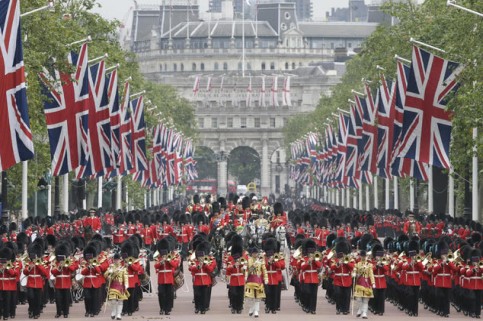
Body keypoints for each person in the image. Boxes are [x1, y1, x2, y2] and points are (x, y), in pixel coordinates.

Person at [51, 244, 79, 318]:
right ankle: (58, 312)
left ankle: (66, 312)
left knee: (66, 299)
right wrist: (59, 267)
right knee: (58, 299)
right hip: (58, 283)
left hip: (66, 283)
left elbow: (73, 269)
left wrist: (67, 265)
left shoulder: (69, 261)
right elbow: (53, 272)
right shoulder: (55, 262)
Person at [154, 239, 180, 315]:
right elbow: (155, 266)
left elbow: (175, 265)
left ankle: (167, 309)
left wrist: (169, 261)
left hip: (169, 278)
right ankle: (162, 308)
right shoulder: (158, 257)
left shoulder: (171, 257)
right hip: (161, 279)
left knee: (169, 294)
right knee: (161, 293)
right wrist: (161, 262)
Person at [104, 253, 129, 320]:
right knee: (113, 300)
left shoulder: (123, 268)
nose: (117, 261)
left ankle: (119, 314)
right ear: (114, 260)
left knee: (120, 301)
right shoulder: (111, 267)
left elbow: (125, 276)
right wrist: (109, 272)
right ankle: (114, 311)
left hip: (120, 285)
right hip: (113, 285)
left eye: (118, 260)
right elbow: (105, 275)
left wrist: (126, 284)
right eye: (115, 259)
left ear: (120, 260)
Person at [244, 247, 268, 318]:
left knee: (258, 297)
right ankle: (252, 308)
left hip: (258, 279)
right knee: (250, 297)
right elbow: (247, 271)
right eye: (254, 253)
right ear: (252, 254)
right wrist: (245, 276)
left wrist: (266, 278)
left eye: (256, 253)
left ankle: (256, 311)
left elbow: (264, 270)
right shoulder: (248, 260)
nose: (255, 254)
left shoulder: (261, 261)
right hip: (250, 279)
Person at [354, 250, 375, 319]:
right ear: (360, 256)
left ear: (366, 256)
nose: (363, 257)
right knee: (358, 299)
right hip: (359, 283)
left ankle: (364, 313)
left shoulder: (369, 265)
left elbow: (371, 274)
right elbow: (354, 273)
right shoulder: (357, 264)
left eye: (364, 256)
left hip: (366, 283)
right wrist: (354, 274)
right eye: (362, 256)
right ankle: (360, 309)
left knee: (366, 300)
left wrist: (373, 283)